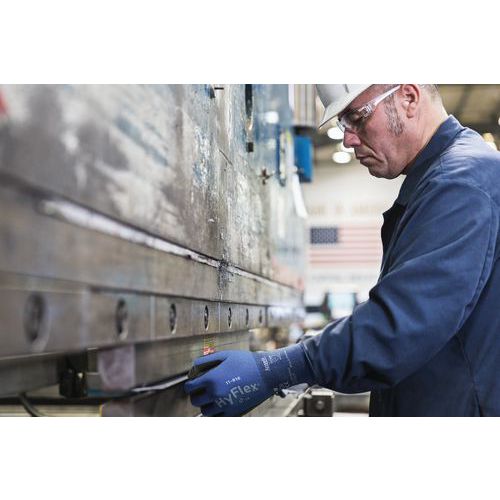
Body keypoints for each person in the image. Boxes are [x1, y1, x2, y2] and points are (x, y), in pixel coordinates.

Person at [185, 84, 500, 417]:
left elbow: (398, 328)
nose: (348, 139)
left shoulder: (461, 184)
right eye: (343, 125)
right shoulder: (442, 179)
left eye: (357, 118)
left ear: (408, 98)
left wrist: (276, 368)